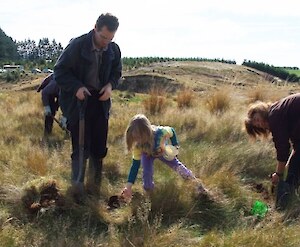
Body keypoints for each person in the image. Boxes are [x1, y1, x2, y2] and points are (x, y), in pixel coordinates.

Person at [54, 13, 122, 198]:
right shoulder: (77, 46)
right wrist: (76, 87)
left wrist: (110, 86)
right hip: (78, 103)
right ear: (95, 28)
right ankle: (77, 188)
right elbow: (59, 72)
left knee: (99, 146)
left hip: (100, 103)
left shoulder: (113, 49)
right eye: (103, 37)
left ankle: (95, 186)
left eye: (110, 38)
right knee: (81, 146)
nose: (106, 43)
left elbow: (117, 73)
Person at [121, 114, 208, 201]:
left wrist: (175, 145)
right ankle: (150, 193)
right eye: (135, 138)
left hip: (161, 150)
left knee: (178, 167)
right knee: (146, 172)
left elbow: (172, 131)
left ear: (147, 132)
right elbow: (135, 167)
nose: (138, 140)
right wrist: (128, 187)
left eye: (140, 137)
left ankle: (196, 184)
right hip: (146, 154)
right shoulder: (138, 146)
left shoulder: (161, 133)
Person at [245, 93, 300, 210]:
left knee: (293, 173)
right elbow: (296, 145)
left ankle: (283, 208)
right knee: (294, 166)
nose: (259, 124)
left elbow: (282, 150)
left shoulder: (274, 116)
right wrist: (287, 164)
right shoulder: (279, 111)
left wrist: (278, 174)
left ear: (261, 110)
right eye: (257, 125)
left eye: (257, 119)